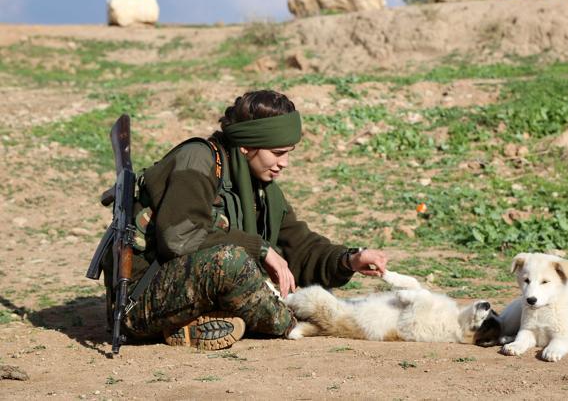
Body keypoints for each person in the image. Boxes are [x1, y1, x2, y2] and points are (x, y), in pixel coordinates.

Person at [121, 90, 388, 350]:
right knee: (232, 262)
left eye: (288, 153)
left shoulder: (261, 187)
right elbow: (180, 237)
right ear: (246, 146)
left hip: (190, 294)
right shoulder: (197, 159)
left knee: (257, 270)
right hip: (140, 304)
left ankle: (195, 326)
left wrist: (349, 259)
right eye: (277, 153)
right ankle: (292, 321)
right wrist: (260, 248)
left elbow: (299, 247)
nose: (284, 163)